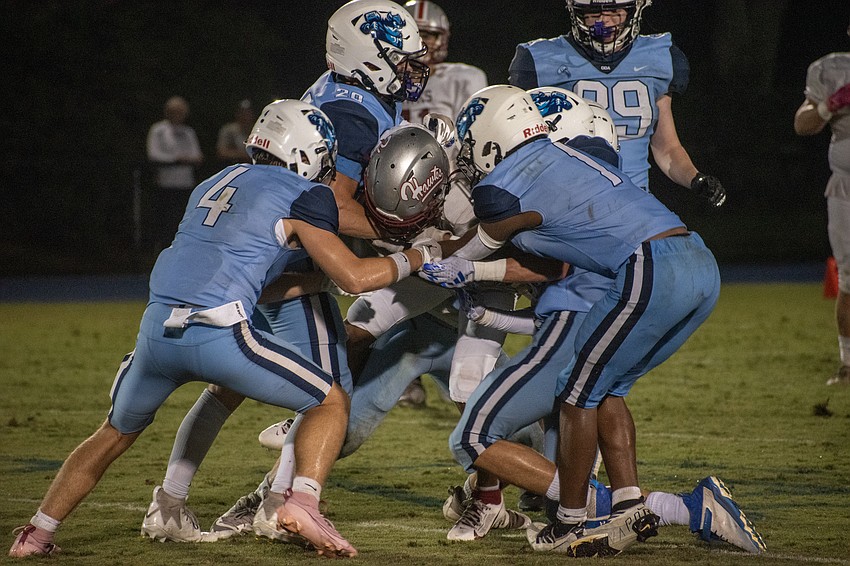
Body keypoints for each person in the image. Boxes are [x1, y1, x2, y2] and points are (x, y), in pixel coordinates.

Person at [8, 99, 436, 559]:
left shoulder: (211, 184)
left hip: (156, 331)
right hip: (217, 334)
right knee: (330, 400)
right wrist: (420, 256)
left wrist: (316, 280)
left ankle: (37, 534)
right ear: (308, 152)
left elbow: (248, 276)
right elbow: (355, 277)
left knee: (111, 434)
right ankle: (301, 504)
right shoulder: (300, 192)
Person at [421, 84, 721, 557]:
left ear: (491, 138)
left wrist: (441, 260)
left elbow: (484, 239)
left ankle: (570, 521)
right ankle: (626, 505)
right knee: (607, 389)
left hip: (650, 266)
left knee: (575, 394)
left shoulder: (503, 184)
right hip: (700, 265)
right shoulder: (571, 158)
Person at [508, 0, 726, 207]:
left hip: (634, 201)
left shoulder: (658, 57)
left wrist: (695, 178)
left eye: (614, 11)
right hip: (567, 203)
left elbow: (666, 147)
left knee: (681, 245)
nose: (605, 21)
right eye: (594, 12)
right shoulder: (540, 60)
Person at [396, 0, 490, 408]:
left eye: (429, 34)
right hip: (395, 194)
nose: (423, 43)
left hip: (449, 195)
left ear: (444, 39)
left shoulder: (463, 78)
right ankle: (408, 368)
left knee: (453, 282)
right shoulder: (388, 79)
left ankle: (467, 370)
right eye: (415, 35)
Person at [794, 20, 850, 386]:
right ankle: (849, 363)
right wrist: (831, 105)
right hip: (846, 189)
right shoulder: (831, 68)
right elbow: (803, 124)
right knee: (849, 280)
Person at [146, 95, 204, 252]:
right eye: (174, 111)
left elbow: (197, 155)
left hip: (185, 184)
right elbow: (154, 154)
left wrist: (187, 160)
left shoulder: (188, 131)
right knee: (165, 223)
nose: (178, 115)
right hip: (166, 184)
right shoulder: (158, 130)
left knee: (183, 222)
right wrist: (177, 159)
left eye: (181, 111)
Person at [216, 99, 256, 165]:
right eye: (242, 112)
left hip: (254, 167)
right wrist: (242, 155)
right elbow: (221, 152)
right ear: (237, 113)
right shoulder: (229, 130)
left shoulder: (258, 130)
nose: (245, 116)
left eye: (248, 112)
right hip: (232, 165)